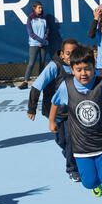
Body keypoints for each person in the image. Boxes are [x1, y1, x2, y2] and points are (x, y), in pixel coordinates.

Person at [49, 45, 102, 204]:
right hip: (81, 145)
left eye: (87, 69)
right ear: (72, 69)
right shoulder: (66, 87)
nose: (83, 73)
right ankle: (95, 184)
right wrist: (52, 120)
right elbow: (55, 102)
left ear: (94, 68)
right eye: (79, 70)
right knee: (89, 181)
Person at [27, 38, 81, 182]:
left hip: (73, 111)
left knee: (71, 139)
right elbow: (37, 86)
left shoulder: (81, 66)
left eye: (74, 53)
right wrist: (32, 108)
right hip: (54, 111)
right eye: (68, 53)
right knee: (62, 141)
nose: (71, 56)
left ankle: (72, 169)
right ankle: (68, 151)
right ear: (62, 54)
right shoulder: (54, 66)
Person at [19, 1, 49, 90]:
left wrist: (44, 40)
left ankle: (40, 82)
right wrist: (40, 40)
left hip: (44, 44)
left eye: (41, 7)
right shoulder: (30, 19)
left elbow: (47, 30)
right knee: (31, 63)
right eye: (39, 8)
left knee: (42, 63)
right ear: (34, 9)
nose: (41, 9)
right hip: (34, 44)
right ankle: (25, 82)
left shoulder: (44, 19)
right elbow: (31, 33)